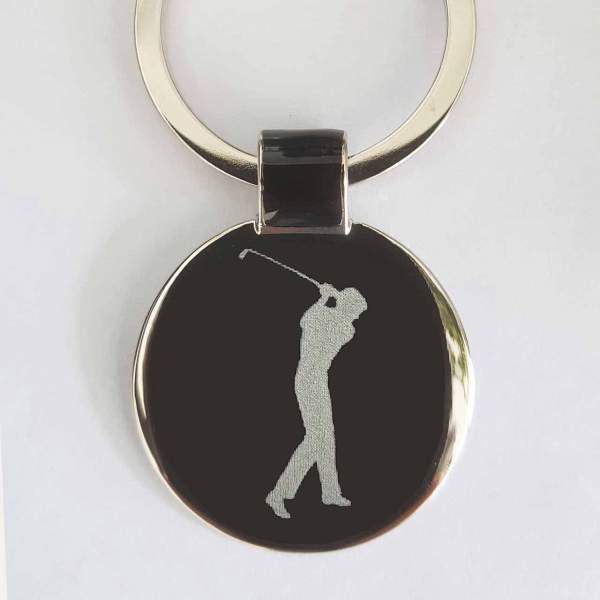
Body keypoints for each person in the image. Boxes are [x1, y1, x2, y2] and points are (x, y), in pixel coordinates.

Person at [266, 283, 368, 519]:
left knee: (323, 438)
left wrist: (325, 299)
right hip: (307, 380)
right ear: (347, 308)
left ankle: (329, 492)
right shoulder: (325, 316)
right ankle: (279, 493)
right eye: (355, 312)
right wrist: (325, 299)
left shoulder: (346, 329)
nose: (356, 317)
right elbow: (306, 322)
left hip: (317, 380)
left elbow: (317, 322)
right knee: (317, 439)